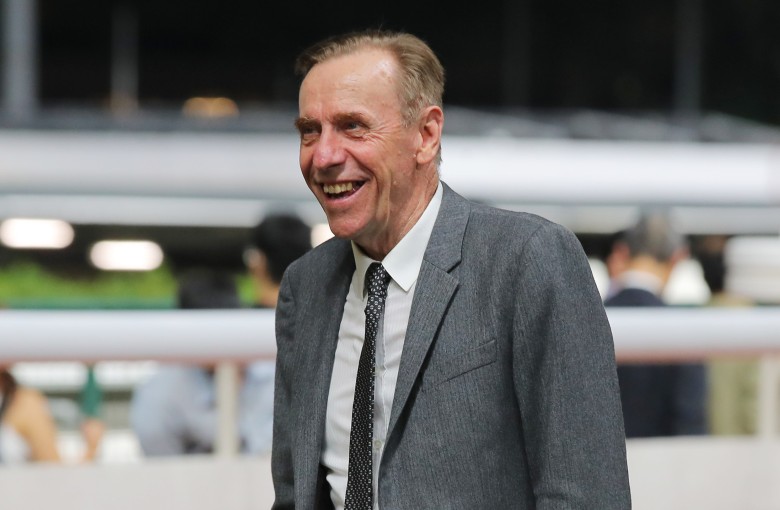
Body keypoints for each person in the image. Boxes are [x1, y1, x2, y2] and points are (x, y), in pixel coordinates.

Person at [272, 29, 630, 509]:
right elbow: (296, 494)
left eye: (353, 126)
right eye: (309, 131)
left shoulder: (528, 260)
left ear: (426, 134)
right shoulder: (306, 285)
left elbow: (588, 497)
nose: (324, 156)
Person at [130, 269, 275, 456]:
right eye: (217, 336)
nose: (227, 344)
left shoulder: (271, 371)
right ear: (187, 336)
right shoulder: (160, 394)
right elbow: (164, 476)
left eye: (232, 330)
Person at [606, 214, 708, 438]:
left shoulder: (589, 319)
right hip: (663, 466)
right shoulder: (684, 332)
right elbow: (690, 423)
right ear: (677, 258)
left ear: (623, 252)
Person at [695, 235, 757, 435]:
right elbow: (755, 396)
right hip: (748, 448)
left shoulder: (692, 321)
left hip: (697, 447)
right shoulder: (756, 323)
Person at [0, 367, 102, 464]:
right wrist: (91, 450)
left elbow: (53, 468)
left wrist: (90, 451)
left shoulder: (24, 403)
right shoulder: (25, 402)